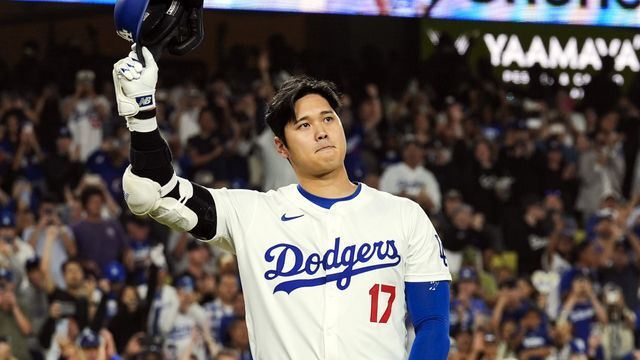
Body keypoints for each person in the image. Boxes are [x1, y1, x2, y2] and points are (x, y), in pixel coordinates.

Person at [113, 46, 451, 359]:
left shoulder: (404, 215)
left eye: (328, 118)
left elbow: (434, 323)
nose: (321, 131)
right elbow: (155, 190)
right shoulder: (254, 214)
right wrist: (142, 115)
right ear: (281, 147)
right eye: (304, 124)